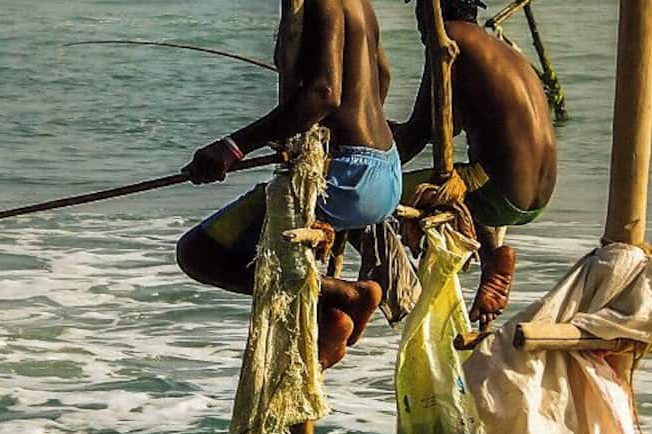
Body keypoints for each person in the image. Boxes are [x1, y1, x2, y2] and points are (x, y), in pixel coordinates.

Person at [177, 0, 400, 370]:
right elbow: (384, 76)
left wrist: (232, 148)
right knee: (257, 245)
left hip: (346, 181)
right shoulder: (359, 4)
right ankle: (329, 310)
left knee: (197, 252)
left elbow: (324, 94)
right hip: (385, 171)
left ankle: (345, 294)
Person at [392, 0, 558, 329]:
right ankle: (490, 256)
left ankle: (371, 295)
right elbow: (447, 125)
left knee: (384, 195)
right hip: (539, 192)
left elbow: (417, 133)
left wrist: (361, 167)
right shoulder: (496, 48)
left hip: (500, 189)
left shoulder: (448, 39)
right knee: (463, 180)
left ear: (430, 10)